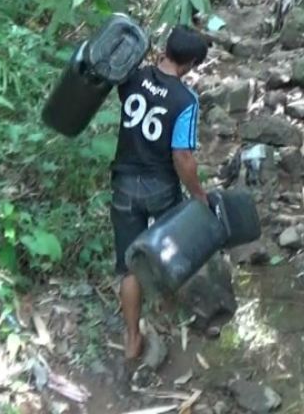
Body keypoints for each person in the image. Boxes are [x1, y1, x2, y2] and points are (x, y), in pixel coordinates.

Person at [110, 25, 210, 364]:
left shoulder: (132, 77)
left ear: (166, 49)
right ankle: (166, 306)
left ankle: (132, 337)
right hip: (161, 187)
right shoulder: (186, 101)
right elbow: (182, 157)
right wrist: (198, 195)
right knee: (169, 246)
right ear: (191, 63)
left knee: (127, 266)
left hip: (124, 182)